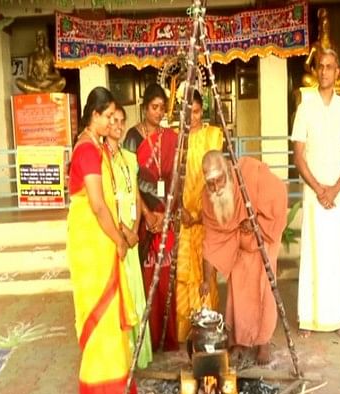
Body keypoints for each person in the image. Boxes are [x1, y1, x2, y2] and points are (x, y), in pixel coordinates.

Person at [66, 87, 138, 394]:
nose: (113, 121)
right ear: (94, 115)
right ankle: (100, 389)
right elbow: (97, 205)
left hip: (102, 236)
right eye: (108, 116)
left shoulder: (97, 147)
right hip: (92, 242)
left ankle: (117, 383)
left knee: (110, 316)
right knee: (102, 313)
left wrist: (122, 231)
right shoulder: (88, 151)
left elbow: (110, 200)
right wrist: (120, 240)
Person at [291, 49, 340, 340]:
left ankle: (335, 319)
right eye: (321, 66)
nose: (325, 71)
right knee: (312, 255)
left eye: (330, 66)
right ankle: (308, 318)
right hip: (314, 194)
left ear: (338, 70)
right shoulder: (305, 107)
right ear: (316, 70)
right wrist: (319, 189)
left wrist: (334, 189)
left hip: (338, 195)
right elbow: (299, 156)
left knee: (334, 256)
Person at [200, 151, 287, 365]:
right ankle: (238, 340)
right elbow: (212, 238)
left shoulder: (250, 173)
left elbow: (279, 197)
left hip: (263, 237)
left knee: (263, 288)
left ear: (228, 171)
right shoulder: (208, 196)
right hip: (237, 242)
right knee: (237, 290)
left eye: (219, 180)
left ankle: (263, 342)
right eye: (210, 183)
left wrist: (257, 222)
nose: (216, 188)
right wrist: (205, 279)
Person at [123, 83, 179, 351]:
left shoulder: (170, 137)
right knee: (147, 278)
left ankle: (167, 337)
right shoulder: (133, 137)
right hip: (144, 217)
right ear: (144, 108)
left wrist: (166, 211)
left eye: (161, 108)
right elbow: (130, 181)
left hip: (165, 212)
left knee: (166, 274)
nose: (158, 113)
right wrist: (146, 215)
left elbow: (175, 177)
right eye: (154, 108)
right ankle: (150, 337)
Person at [106, 103, 153, 368]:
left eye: (122, 120)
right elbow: (104, 200)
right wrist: (123, 232)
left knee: (135, 292)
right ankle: (121, 357)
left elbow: (134, 193)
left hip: (131, 233)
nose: (118, 125)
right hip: (114, 234)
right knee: (119, 295)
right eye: (112, 119)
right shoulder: (102, 159)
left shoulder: (128, 157)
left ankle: (138, 355)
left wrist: (135, 229)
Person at [176, 90, 223, 342]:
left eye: (195, 112)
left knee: (206, 275)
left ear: (201, 111)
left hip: (205, 217)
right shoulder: (176, 140)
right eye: (186, 112)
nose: (191, 117)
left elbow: (214, 174)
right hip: (183, 221)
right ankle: (185, 334)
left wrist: (198, 213)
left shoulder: (211, 136)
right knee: (184, 276)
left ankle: (208, 329)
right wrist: (181, 211)